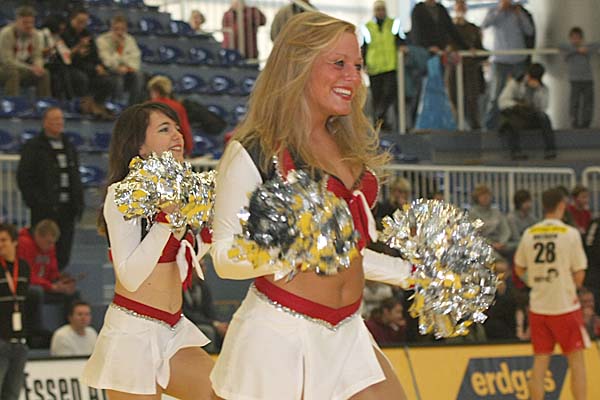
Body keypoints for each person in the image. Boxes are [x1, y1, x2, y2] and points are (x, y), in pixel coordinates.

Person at [210, 12, 412, 399]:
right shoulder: (255, 151)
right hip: (279, 337)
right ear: (297, 64)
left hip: (348, 332)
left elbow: (346, 252)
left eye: (357, 66)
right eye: (338, 63)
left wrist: (414, 273)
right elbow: (223, 256)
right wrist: (295, 246)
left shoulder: (347, 148)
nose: (353, 77)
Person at [81, 102, 214, 399]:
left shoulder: (182, 190)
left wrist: (209, 234)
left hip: (173, 331)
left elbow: (180, 259)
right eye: (165, 129)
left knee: (221, 392)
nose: (178, 135)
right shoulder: (122, 194)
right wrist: (165, 222)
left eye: (177, 128)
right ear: (139, 146)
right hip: (133, 335)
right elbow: (129, 276)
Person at [515, 188, 589, 400]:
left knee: (540, 362)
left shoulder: (529, 233)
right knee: (576, 362)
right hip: (565, 306)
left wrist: (535, 282)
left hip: (539, 307)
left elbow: (519, 269)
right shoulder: (570, 234)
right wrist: (567, 285)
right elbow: (580, 274)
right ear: (562, 206)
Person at [17, 107, 84, 271]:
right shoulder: (33, 147)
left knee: (63, 251)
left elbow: (75, 176)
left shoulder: (69, 146)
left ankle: (56, 279)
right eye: (54, 119)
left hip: (67, 209)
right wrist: (36, 202)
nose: (58, 123)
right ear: (45, 122)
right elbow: (24, 177)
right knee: (41, 251)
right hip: (44, 210)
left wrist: (78, 203)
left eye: (60, 119)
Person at [17, 219, 78, 340]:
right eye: (48, 242)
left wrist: (61, 280)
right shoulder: (24, 244)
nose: (51, 246)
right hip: (28, 287)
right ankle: (36, 332)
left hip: (44, 285)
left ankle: (72, 331)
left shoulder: (50, 247)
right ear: (38, 236)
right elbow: (26, 275)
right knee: (36, 292)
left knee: (73, 294)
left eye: (53, 243)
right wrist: (51, 286)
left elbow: (52, 272)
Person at [482, 0, 535, 131]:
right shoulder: (493, 11)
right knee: (496, 95)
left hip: (518, 59)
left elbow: (529, 31)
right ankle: (489, 128)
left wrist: (519, 15)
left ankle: (524, 125)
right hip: (500, 60)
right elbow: (485, 24)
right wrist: (500, 10)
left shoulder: (519, 12)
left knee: (522, 93)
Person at [360, 0, 406, 131]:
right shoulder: (367, 26)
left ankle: (379, 116)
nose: (380, 12)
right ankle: (380, 124)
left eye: (382, 9)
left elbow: (401, 39)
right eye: (378, 9)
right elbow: (364, 46)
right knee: (377, 96)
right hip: (374, 67)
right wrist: (363, 64)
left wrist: (402, 47)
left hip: (390, 66)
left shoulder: (394, 23)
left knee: (389, 93)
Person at [61, 8, 114, 119]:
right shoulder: (64, 34)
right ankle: (83, 106)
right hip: (71, 68)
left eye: (84, 22)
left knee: (108, 80)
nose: (82, 25)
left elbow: (95, 55)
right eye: (79, 22)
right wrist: (78, 49)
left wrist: (100, 66)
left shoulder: (87, 34)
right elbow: (66, 58)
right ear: (72, 20)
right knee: (81, 78)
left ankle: (98, 105)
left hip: (89, 67)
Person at [498, 62, 556, 160]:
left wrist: (538, 90)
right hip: (517, 113)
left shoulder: (543, 88)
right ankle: (516, 152)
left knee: (544, 117)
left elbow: (543, 107)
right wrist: (518, 104)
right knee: (510, 121)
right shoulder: (515, 83)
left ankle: (550, 149)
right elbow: (502, 102)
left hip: (531, 115)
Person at [0, 223, 31, 400]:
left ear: (14, 242)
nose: (0, 244)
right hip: (1, 340)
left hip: (19, 342)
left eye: (3, 240)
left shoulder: (24, 267)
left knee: (12, 394)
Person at [448, 0, 486, 130]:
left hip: (470, 69)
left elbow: (481, 50)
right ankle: (456, 127)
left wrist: (477, 53)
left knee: (471, 99)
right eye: (458, 5)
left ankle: (474, 127)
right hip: (453, 68)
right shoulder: (449, 29)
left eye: (462, 5)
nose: (460, 8)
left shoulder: (473, 29)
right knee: (453, 97)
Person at [0, 6, 51, 97]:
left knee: (44, 74)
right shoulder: (6, 33)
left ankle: (43, 103)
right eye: (25, 23)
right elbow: (7, 61)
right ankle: (13, 103)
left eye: (32, 23)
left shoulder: (35, 34)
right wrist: (31, 68)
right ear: (16, 22)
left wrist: (39, 66)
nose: (29, 26)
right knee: (12, 72)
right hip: (4, 68)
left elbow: (37, 56)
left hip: (23, 68)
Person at [96, 15, 144, 106]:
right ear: (111, 28)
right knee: (118, 79)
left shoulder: (130, 40)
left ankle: (133, 106)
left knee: (138, 76)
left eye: (122, 29)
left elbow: (135, 59)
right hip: (109, 71)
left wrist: (126, 67)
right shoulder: (102, 40)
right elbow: (107, 62)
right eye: (116, 29)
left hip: (127, 71)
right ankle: (117, 106)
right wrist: (119, 49)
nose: (119, 32)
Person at [560, 27, 600, 129]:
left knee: (588, 103)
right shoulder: (568, 49)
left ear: (581, 38)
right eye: (573, 38)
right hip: (575, 80)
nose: (576, 40)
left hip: (588, 79)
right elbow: (561, 46)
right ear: (570, 38)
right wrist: (577, 50)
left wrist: (584, 49)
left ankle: (586, 123)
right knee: (574, 102)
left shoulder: (586, 48)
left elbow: (596, 45)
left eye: (578, 37)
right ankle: (574, 122)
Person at [183, 265, 228, 353]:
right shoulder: (179, 287)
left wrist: (218, 324)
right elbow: (186, 313)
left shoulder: (203, 287)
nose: (204, 269)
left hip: (206, 322)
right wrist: (214, 324)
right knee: (208, 331)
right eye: (201, 266)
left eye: (204, 266)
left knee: (225, 330)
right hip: (188, 323)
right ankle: (208, 356)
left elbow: (210, 310)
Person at [147, 75, 194, 157]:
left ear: (154, 91)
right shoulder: (177, 106)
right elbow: (185, 129)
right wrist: (189, 149)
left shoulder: (147, 107)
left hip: (153, 149)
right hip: (172, 148)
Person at [469, 184, 511, 263]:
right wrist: (491, 244)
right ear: (476, 198)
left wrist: (502, 242)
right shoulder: (472, 214)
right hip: (483, 246)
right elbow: (475, 234)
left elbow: (505, 230)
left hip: (501, 244)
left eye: (487, 194)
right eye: (482, 195)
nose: (485, 197)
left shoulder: (496, 212)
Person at [506, 189, 537, 253]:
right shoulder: (511, 218)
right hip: (516, 247)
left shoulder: (531, 217)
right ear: (518, 203)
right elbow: (516, 238)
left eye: (529, 201)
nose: (529, 204)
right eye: (525, 202)